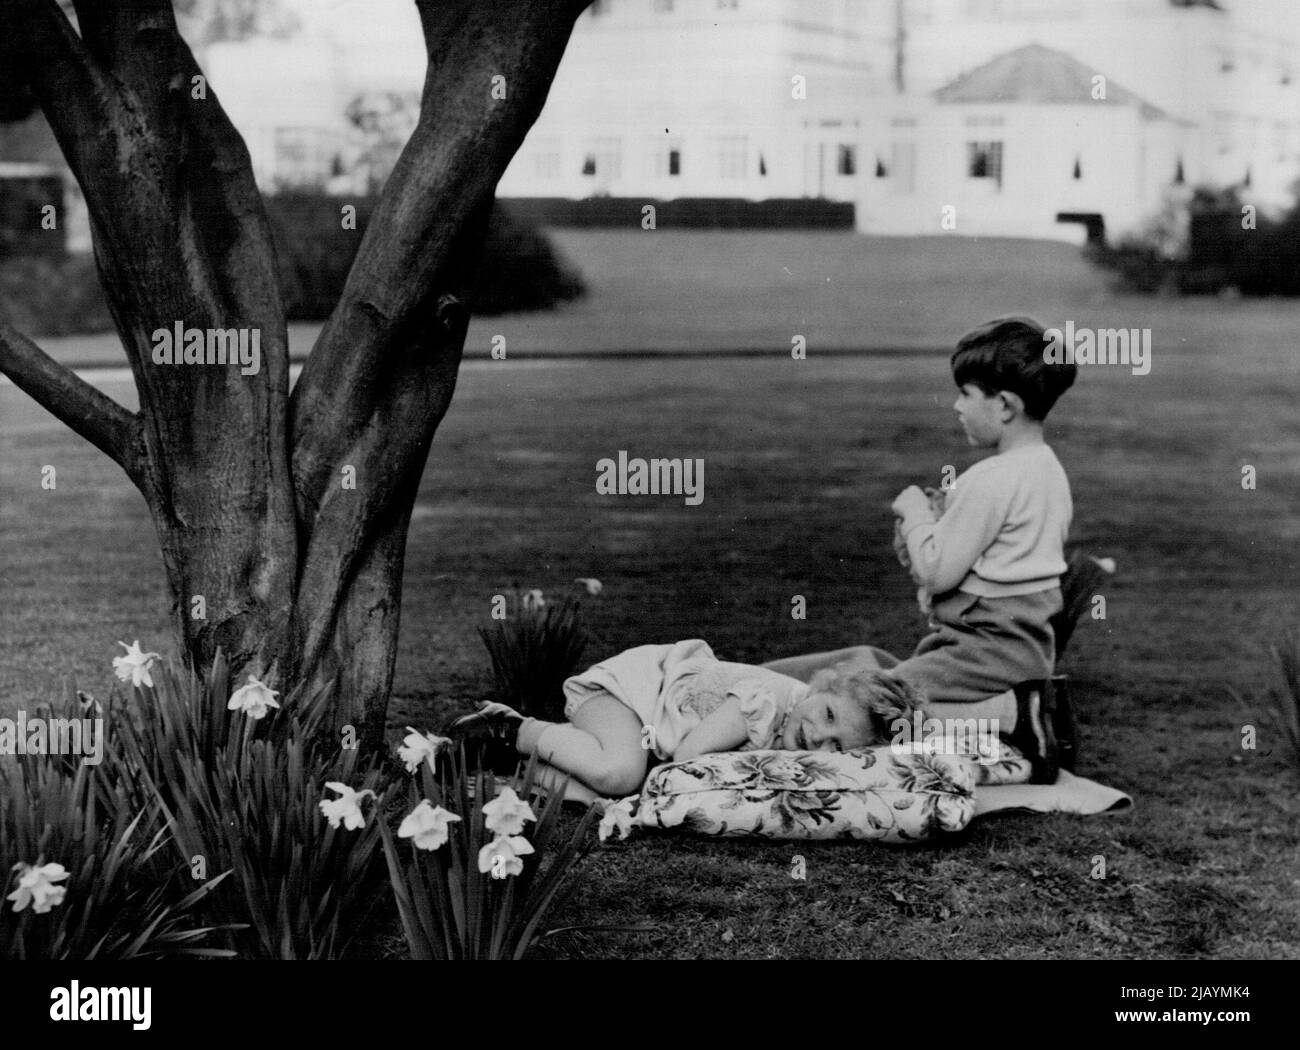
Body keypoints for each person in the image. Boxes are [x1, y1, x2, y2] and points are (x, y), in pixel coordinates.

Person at [764, 316, 1078, 782]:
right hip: (1021, 643)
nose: (956, 406)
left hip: (986, 647)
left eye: (966, 394)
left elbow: (936, 571)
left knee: (881, 705)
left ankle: (1020, 718)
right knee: (871, 664)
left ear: (1006, 405)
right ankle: (1019, 712)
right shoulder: (1048, 470)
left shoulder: (992, 479)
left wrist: (915, 513)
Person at [449, 639, 926, 803]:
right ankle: (513, 729)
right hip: (629, 696)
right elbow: (688, 760)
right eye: (827, 715)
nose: (818, 737)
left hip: (647, 726)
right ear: (822, 687)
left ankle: (509, 763)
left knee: (599, 793)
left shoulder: (794, 730)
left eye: (836, 748)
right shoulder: (762, 702)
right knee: (620, 775)